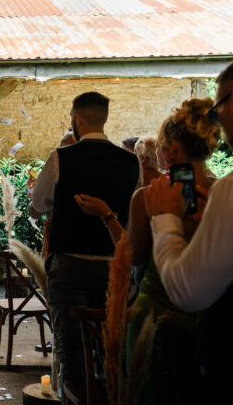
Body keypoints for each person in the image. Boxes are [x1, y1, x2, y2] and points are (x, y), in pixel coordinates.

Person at [76, 98, 219, 404]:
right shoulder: (221, 194)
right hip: (210, 323)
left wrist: (106, 215)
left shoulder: (147, 198)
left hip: (154, 324)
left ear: (170, 150)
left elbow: (131, 256)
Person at [29, 92, 140, 395]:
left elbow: (36, 207)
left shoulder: (60, 158)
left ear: (77, 118)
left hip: (69, 267)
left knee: (71, 351)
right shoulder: (132, 163)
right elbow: (135, 217)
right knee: (109, 348)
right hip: (113, 268)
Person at [143, 62, 233, 399]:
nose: (218, 119)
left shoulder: (154, 197)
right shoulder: (215, 189)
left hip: (167, 320)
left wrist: (163, 218)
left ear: (171, 150)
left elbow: (184, 288)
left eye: (220, 108)